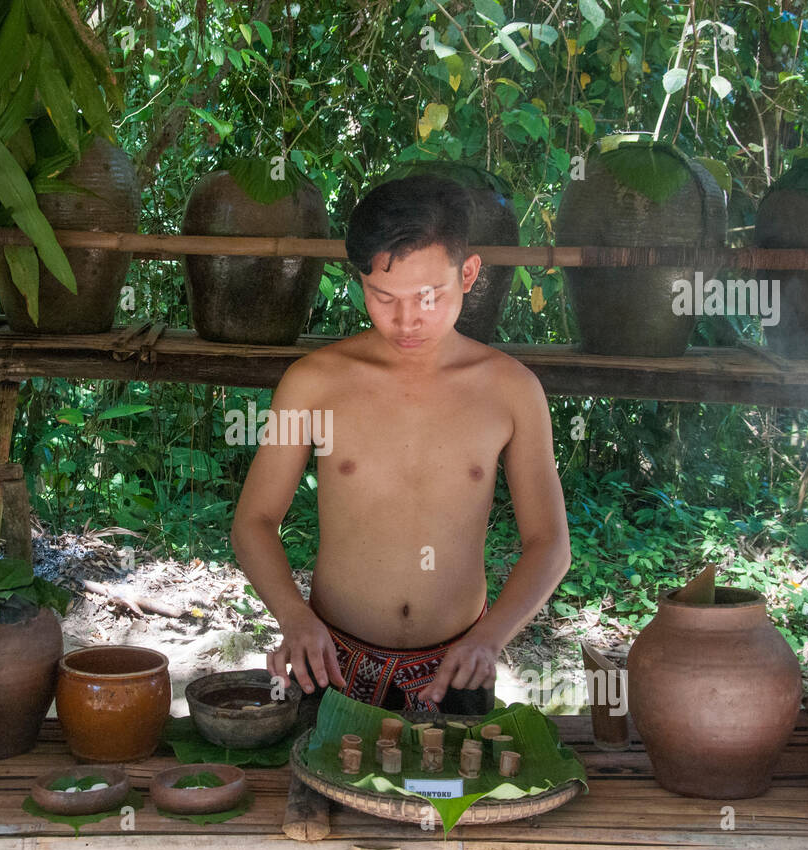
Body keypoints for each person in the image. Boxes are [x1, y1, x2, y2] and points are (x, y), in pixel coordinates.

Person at [230, 174, 571, 714]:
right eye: (382, 297)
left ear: (469, 273)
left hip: (458, 667)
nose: (407, 320)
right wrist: (294, 619)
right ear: (360, 281)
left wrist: (490, 639)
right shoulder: (314, 382)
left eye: (428, 297)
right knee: (315, 796)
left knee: (454, 799)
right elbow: (254, 520)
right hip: (330, 663)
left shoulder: (511, 390)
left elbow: (549, 540)